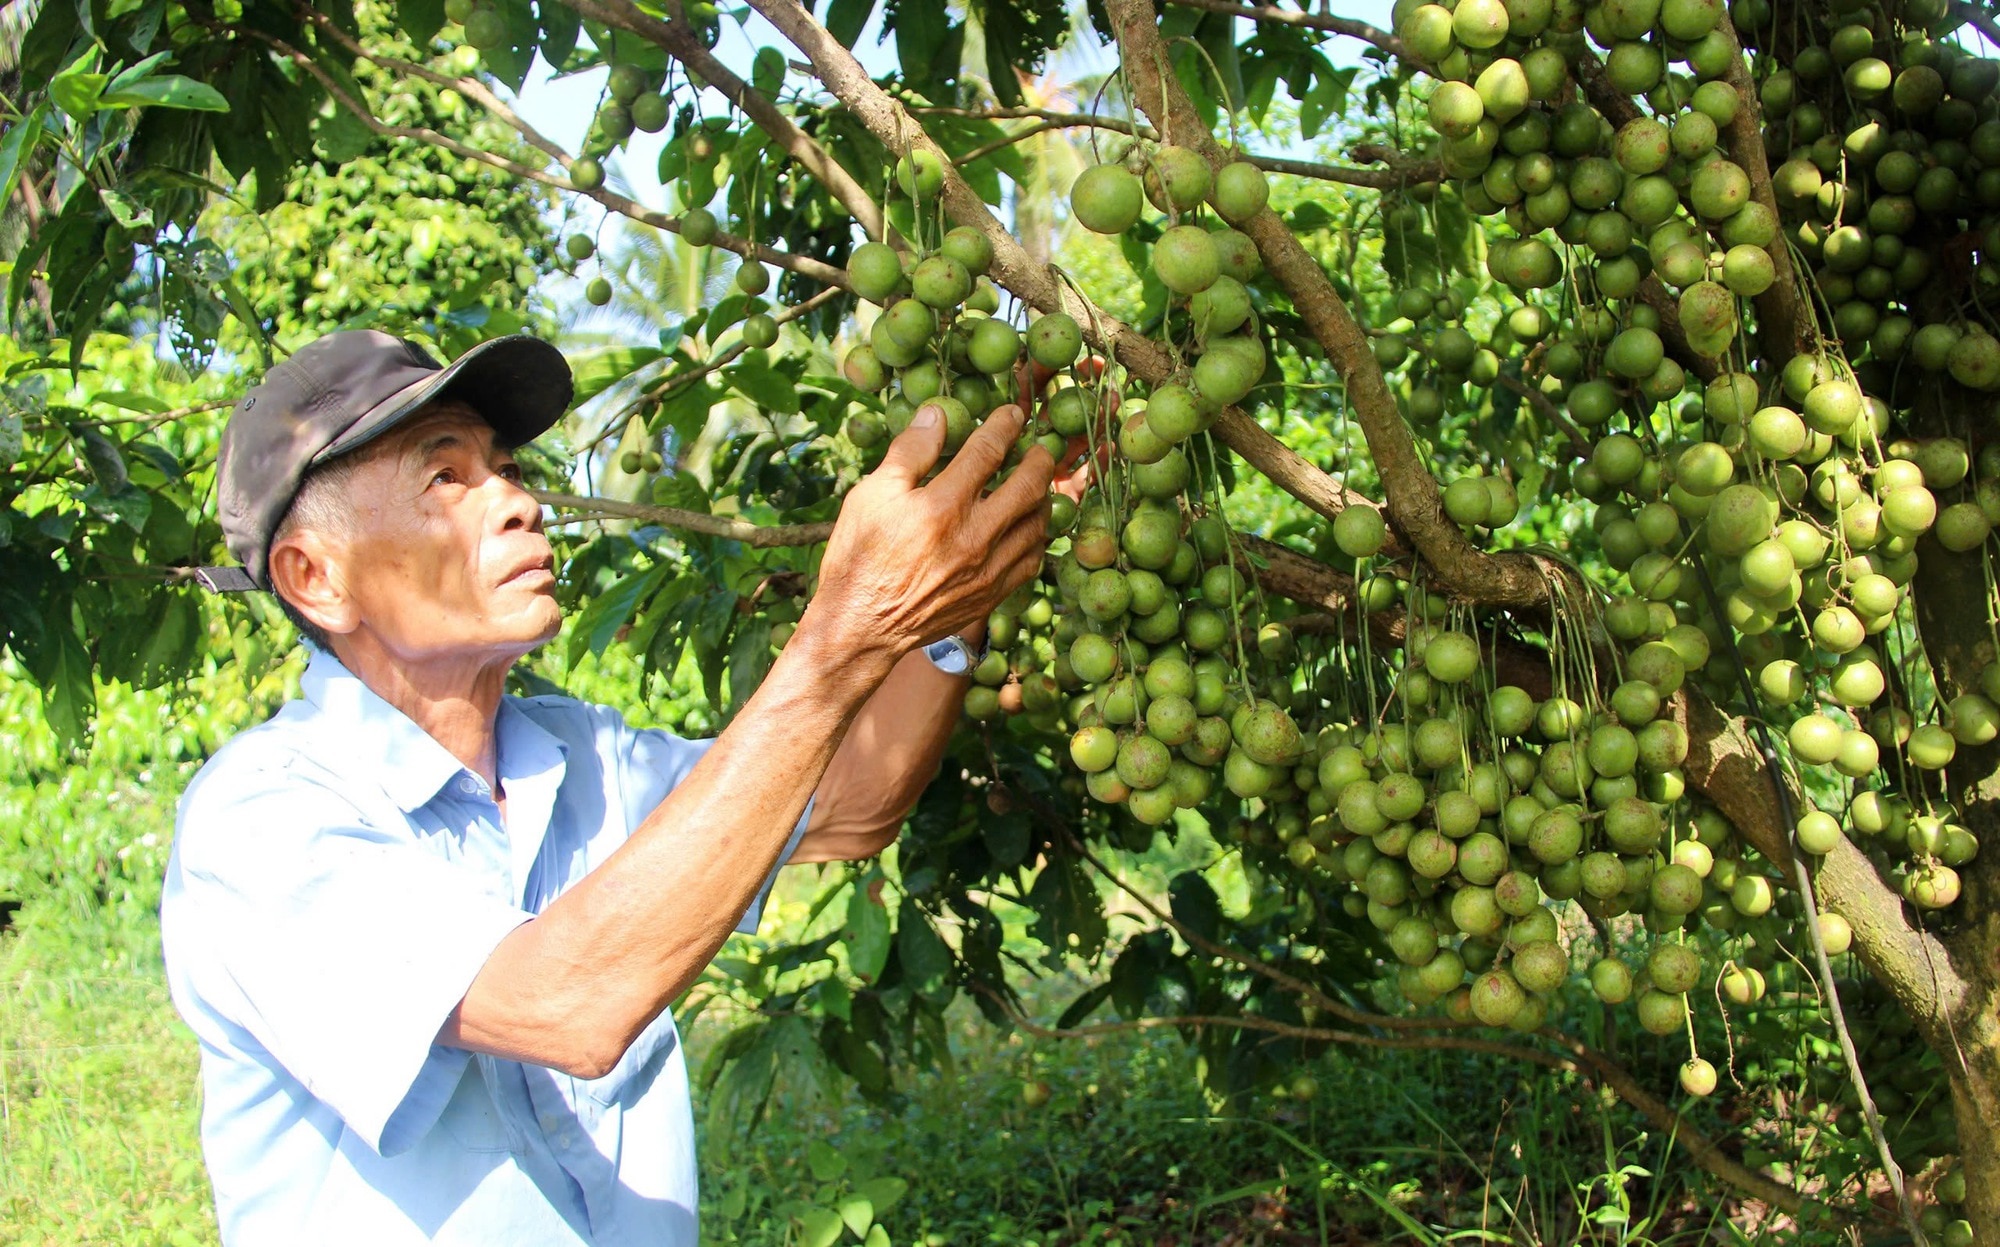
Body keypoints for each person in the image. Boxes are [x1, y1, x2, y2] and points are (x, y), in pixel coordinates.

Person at [160, 329, 1058, 1244]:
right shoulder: (261, 818)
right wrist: (846, 631)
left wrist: (958, 582)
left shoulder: (578, 753)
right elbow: (567, 1002)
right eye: (445, 478)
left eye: (506, 468)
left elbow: (850, 798)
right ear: (315, 578)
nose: (516, 500)